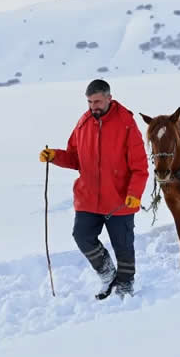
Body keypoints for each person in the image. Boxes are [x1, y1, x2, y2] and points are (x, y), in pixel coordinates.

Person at [40, 79, 149, 300]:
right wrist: (55, 156)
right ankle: (107, 273)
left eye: (97, 101)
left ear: (109, 98)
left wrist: (134, 194)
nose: (93, 107)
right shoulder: (83, 123)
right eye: (89, 102)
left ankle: (126, 283)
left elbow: (140, 166)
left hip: (120, 198)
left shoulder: (126, 123)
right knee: (82, 236)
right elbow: (74, 158)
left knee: (123, 245)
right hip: (89, 197)